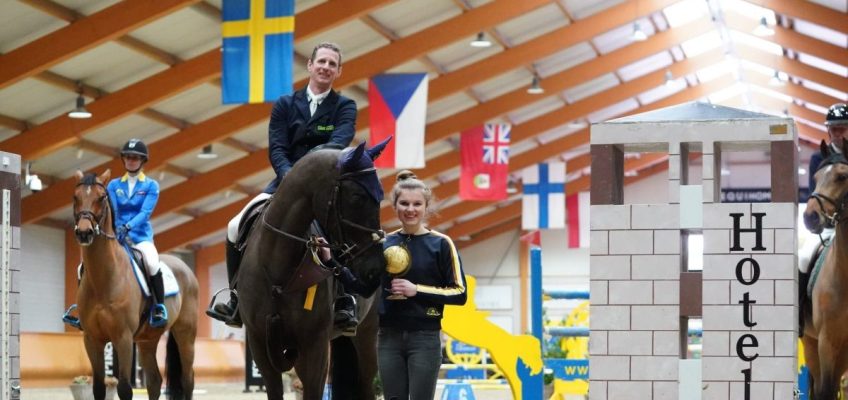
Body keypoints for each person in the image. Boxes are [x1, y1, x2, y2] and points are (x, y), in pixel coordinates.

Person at [207, 42, 357, 328]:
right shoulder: (286, 105)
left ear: (338, 71)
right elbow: (277, 147)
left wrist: (307, 173)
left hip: (325, 185)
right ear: (310, 66)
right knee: (234, 225)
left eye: (332, 64)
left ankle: (343, 300)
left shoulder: (345, 106)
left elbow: (338, 142)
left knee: (344, 230)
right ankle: (237, 297)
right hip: (284, 180)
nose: (326, 67)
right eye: (321, 61)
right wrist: (291, 177)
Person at [376, 170, 468, 400]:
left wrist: (416, 290)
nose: (410, 209)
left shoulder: (441, 244)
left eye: (417, 204)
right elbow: (365, 285)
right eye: (404, 203)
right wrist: (330, 260)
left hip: (425, 337)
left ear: (426, 207)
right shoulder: (383, 243)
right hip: (387, 336)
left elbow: (460, 292)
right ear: (395, 206)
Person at [62, 138, 168, 329]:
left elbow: (145, 213)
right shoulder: (113, 185)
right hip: (116, 236)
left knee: (152, 262)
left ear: (142, 161)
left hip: (140, 237)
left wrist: (128, 227)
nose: (131, 161)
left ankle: (158, 307)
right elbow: (113, 210)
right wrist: (117, 228)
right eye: (128, 157)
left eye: (135, 158)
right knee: (81, 268)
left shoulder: (151, 186)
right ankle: (82, 309)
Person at [800, 103, 848, 273]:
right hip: (828, 227)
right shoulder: (818, 157)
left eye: (842, 129)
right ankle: (803, 300)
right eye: (834, 129)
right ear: (828, 130)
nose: (838, 133)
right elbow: (816, 192)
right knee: (804, 260)